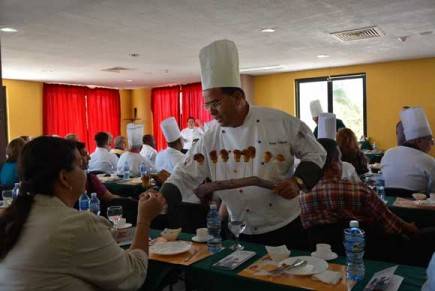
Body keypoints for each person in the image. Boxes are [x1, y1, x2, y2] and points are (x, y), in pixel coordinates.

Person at [159, 39, 326, 248]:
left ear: (238, 97)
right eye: (207, 105)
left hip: (285, 228)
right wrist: (162, 197)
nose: (211, 111)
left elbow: (316, 153)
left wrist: (298, 182)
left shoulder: (280, 122)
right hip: (238, 230)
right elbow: (185, 174)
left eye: (216, 103)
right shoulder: (210, 135)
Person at [0, 136, 165, 290]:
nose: (86, 171)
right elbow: (133, 276)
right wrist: (144, 219)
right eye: (80, 166)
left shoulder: (14, 218)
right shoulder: (75, 225)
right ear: (64, 178)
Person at [299, 138, 435, 265]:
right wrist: (411, 228)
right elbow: (391, 225)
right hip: (379, 254)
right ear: (335, 165)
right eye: (340, 159)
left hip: (328, 258)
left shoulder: (302, 196)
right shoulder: (358, 190)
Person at [381, 107, 434, 194]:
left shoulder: (388, 153)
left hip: (386, 205)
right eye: (430, 140)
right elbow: (433, 192)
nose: (432, 144)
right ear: (419, 141)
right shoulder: (430, 161)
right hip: (419, 207)